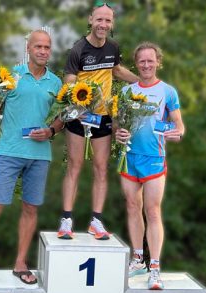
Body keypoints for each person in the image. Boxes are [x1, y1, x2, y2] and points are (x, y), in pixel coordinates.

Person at [0, 30, 63, 288]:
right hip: (9, 150)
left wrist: (51, 131)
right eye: (38, 46)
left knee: (30, 208)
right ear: (28, 48)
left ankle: (20, 263)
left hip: (40, 155)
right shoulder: (10, 77)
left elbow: (62, 116)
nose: (43, 51)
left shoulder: (55, 82)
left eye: (47, 47)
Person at [57, 1, 138, 240]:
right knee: (74, 166)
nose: (103, 24)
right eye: (99, 19)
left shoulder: (112, 47)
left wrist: (144, 82)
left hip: (103, 118)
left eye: (108, 20)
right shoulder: (78, 48)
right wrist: (77, 106)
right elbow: (69, 83)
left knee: (101, 169)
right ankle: (66, 220)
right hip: (79, 117)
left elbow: (117, 70)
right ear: (91, 20)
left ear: (112, 24)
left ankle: (96, 221)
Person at [116, 42, 184, 290]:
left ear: (158, 62)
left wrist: (177, 133)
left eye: (150, 61)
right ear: (137, 64)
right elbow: (119, 125)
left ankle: (154, 267)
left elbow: (179, 125)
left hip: (154, 159)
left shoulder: (168, 91)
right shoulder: (127, 92)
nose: (146, 65)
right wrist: (119, 134)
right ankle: (138, 259)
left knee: (153, 211)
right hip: (130, 157)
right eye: (142, 61)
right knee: (133, 207)